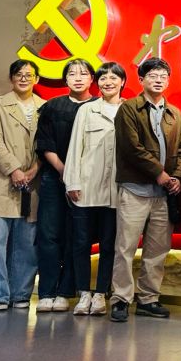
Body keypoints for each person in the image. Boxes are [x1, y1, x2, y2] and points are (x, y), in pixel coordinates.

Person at [110, 57, 181, 322]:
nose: (158, 80)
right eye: (153, 75)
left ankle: (148, 299)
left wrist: (176, 177)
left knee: (157, 251)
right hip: (135, 190)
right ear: (141, 80)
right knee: (125, 248)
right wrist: (160, 174)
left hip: (164, 195)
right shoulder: (128, 108)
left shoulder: (175, 113)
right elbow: (131, 148)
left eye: (163, 76)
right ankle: (121, 299)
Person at [63, 62, 126, 316]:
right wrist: (72, 181)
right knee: (80, 243)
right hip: (86, 187)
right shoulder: (87, 110)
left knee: (110, 244)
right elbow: (75, 147)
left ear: (122, 82)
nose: (108, 82)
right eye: (103, 78)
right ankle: (83, 293)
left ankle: (101, 294)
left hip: (116, 190)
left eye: (113, 78)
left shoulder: (129, 110)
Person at [34, 58, 97, 312]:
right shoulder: (52, 107)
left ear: (92, 78)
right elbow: (44, 143)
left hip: (88, 181)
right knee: (49, 234)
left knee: (78, 236)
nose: (78, 78)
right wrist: (64, 170)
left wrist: (77, 175)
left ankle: (65, 292)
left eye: (83, 73)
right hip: (54, 177)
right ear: (65, 79)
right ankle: (47, 291)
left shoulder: (99, 107)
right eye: (72, 74)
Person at [0, 60, 44, 310]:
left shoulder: (44, 107)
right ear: (11, 78)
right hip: (1, 180)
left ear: (36, 79)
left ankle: (21, 293)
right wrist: (15, 170)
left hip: (33, 182)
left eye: (29, 75)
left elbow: (47, 143)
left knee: (27, 243)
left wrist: (34, 169)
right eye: (19, 74)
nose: (24, 78)